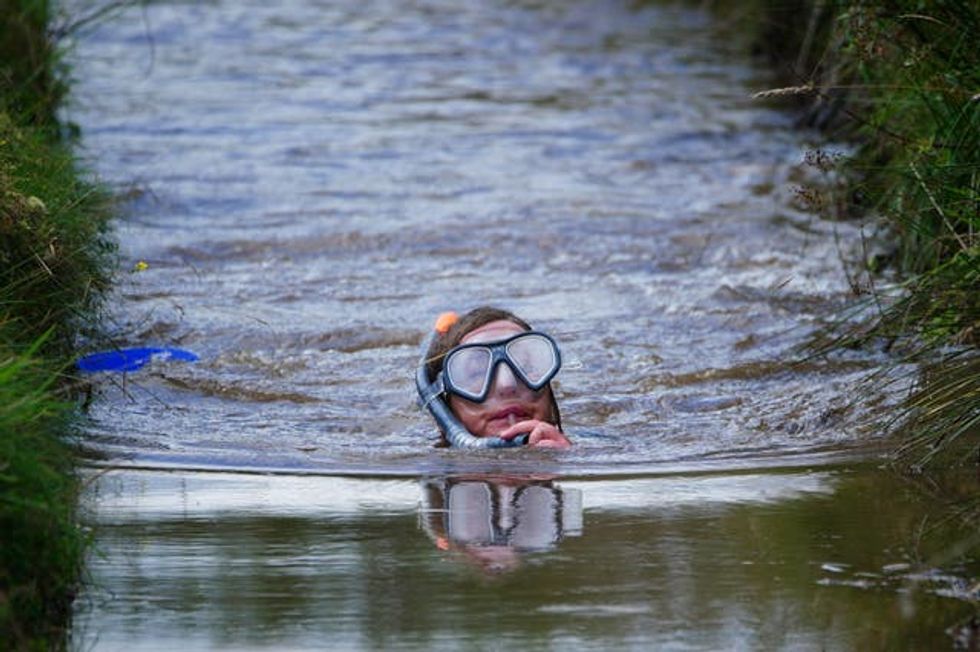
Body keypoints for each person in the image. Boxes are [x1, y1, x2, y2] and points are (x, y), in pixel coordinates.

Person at [418, 306, 572, 449]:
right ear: (444, 407)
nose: (507, 385)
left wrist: (566, 458)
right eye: (477, 373)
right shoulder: (421, 461)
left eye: (525, 368)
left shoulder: (587, 448)